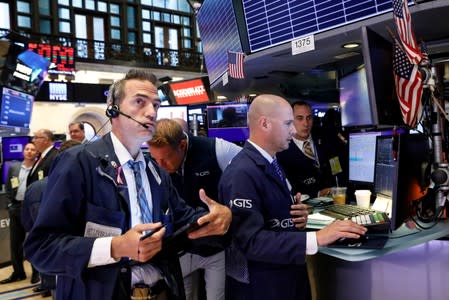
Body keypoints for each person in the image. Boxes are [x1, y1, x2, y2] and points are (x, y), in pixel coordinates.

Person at [24, 69, 231, 300]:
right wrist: (115, 247)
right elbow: (41, 247)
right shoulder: (78, 163)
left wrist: (213, 218)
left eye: (156, 105)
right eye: (140, 102)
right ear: (113, 108)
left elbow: (181, 219)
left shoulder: (155, 170)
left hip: (162, 291)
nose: (151, 112)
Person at [218, 94, 367, 300]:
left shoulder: (271, 162)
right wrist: (317, 237)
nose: (294, 130)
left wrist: (296, 218)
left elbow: (272, 219)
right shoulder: (241, 173)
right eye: (288, 123)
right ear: (265, 124)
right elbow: (251, 242)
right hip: (263, 286)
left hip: (285, 277)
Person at [148, 118, 241, 300]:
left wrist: (231, 210)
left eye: (165, 158)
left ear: (182, 145)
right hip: (179, 248)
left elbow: (252, 171)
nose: (160, 166)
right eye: (154, 158)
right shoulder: (152, 165)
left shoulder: (216, 149)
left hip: (215, 246)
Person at [277, 100, 334, 198]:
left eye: (309, 118)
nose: (306, 123)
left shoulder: (326, 141)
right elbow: (287, 188)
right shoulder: (281, 151)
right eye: (300, 118)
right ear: (290, 120)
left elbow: (336, 171)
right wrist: (318, 194)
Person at [0, 142, 38, 284]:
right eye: (27, 149)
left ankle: (36, 272)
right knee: (15, 243)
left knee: (33, 241)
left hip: (31, 209)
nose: (29, 151)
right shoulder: (14, 168)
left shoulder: (38, 168)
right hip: (15, 208)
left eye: (32, 149)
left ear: (36, 153)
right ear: (23, 152)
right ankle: (18, 272)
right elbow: (9, 186)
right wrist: (10, 204)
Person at [26, 128, 59, 289]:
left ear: (46, 139)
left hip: (46, 209)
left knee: (48, 245)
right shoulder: (41, 157)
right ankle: (46, 282)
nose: (33, 141)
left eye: (36, 138)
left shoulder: (53, 156)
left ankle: (50, 284)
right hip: (38, 207)